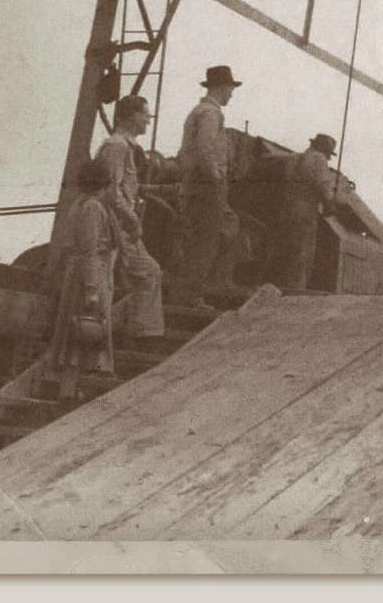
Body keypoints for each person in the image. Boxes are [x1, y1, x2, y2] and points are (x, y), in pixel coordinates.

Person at [94, 94, 165, 339]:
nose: (148, 120)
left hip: (119, 225)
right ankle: (141, 335)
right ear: (134, 116)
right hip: (115, 226)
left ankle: (133, 331)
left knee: (145, 274)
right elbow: (111, 190)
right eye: (146, 115)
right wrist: (132, 220)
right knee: (148, 272)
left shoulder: (126, 147)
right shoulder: (117, 147)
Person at [45, 158, 119, 377]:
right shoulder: (93, 208)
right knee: (89, 325)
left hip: (83, 271)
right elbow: (89, 250)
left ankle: (75, 375)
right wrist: (91, 289)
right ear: (104, 184)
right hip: (89, 273)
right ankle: (84, 374)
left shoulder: (80, 204)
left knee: (78, 328)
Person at [177, 64, 242, 309]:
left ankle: (189, 292)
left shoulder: (198, 111)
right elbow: (205, 149)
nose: (231, 94)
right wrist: (215, 177)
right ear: (222, 88)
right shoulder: (211, 114)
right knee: (206, 240)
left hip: (195, 184)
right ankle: (192, 297)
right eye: (230, 89)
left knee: (203, 238)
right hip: (206, 185)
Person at [272, 133, 352, 290]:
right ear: (325, 150)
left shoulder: (295, 158)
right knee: (303, 252)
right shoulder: (319, 159)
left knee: (285, 248)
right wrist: (330, 205)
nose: (328, 159)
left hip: (287, 207)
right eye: (329, 154)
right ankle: (296, 288)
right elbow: (322, 185)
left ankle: (277, 285)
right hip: (305, 209)